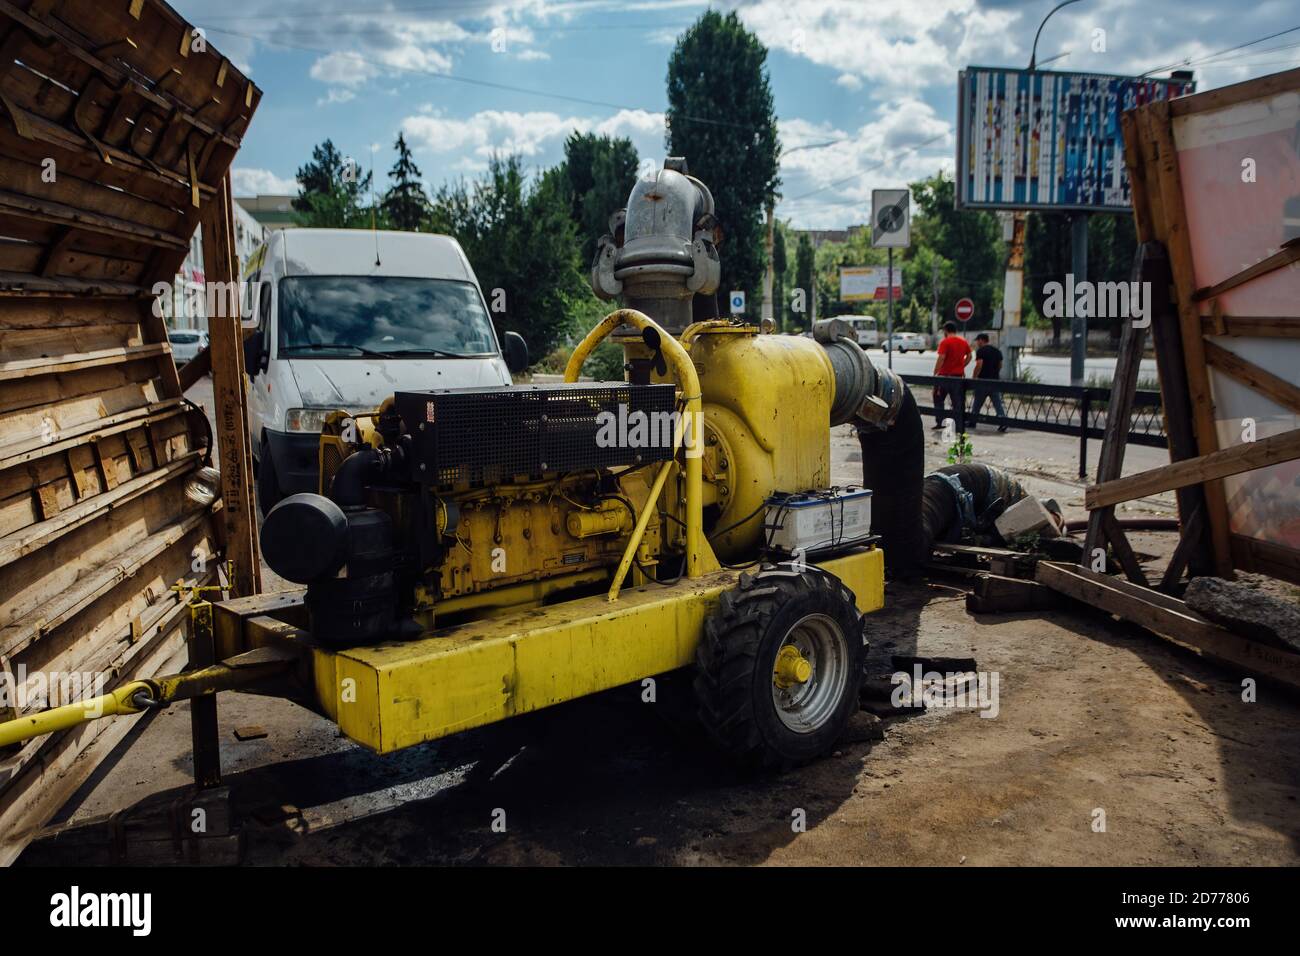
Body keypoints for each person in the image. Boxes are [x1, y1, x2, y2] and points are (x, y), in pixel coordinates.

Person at [931, 321, 972, 429]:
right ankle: (959, 423)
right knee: (957, 401)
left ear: (945, 330)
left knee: (938, 397)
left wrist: (935, 372)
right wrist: (962, 366)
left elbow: (941, 358)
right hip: (958, 376)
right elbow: (970, 356)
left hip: (944, 376)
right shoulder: (963, 342)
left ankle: (940, 422)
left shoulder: (945, 342)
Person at [969, 333, 1009, 432]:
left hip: (983, 381)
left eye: (978, 341)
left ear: (981, 340)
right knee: (998, 404)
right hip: (994, 381)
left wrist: (974, 378)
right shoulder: (997, 351)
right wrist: (994, 373)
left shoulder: (981, 351)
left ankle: (973, 421)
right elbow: (1000, 365)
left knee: (977, 403)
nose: (977, 343)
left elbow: (979, 365)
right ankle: (1002, 422)